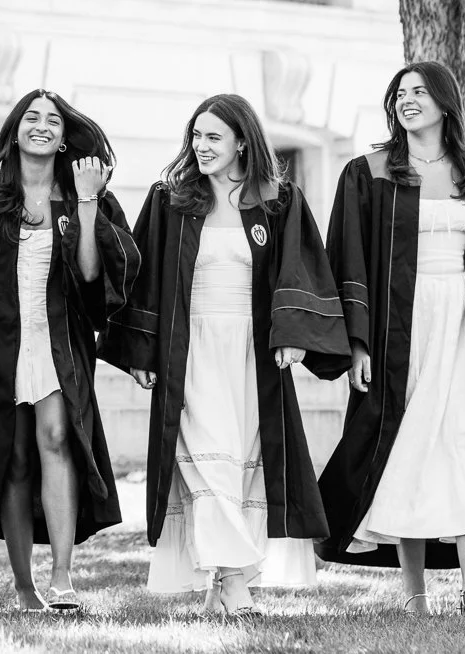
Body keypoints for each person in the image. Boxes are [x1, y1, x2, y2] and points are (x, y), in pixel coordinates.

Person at [315, 62, 465, 617]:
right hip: (401, 329)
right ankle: (415, 596)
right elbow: (346, 260)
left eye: (420, 92)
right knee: (406, 449)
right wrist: (356, 343)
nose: (408, 101)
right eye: (400, 94)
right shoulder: (369, 172)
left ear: (446, 103)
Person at [103, 94, 349, 618]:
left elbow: (299, 270)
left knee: (242, 470)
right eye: (196, 136)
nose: (202, 146)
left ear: (243, 141)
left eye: (214, 137)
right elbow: (145, 283)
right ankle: (237, 584)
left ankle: (222, 579)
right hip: (187, 350)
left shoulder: (277, 202)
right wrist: (142, 347)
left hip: (251, 354)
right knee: (205, 467)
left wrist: (291, 333)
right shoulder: (171, 202)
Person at [0, 90, 140, 613]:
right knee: (12, 458)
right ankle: (25, 586)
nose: (41, 125)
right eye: (32, 117)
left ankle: (62, 576)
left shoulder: (86, 195)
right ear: (15, 128)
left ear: (66, 137)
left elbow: (93, 278)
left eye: (53, 120)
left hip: (57, 341)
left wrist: (87, 203)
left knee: (58, 437)